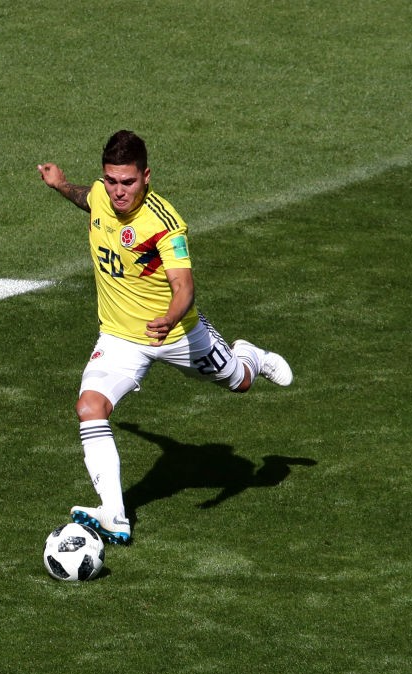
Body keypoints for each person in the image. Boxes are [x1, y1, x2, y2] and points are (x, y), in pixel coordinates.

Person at [37, 130, 293, 544]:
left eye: (128, 182)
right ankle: (115, 515)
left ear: (146, 176)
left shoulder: (164, 224)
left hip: (177, 334)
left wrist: (170, 319)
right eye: (112, 180)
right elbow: (90, 198)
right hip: (120, 337)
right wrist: (61, 185)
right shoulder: (103, 193)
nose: (118, 192)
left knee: (238, 382)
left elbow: (184, 287)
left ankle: (250, 357)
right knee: (90, 407)